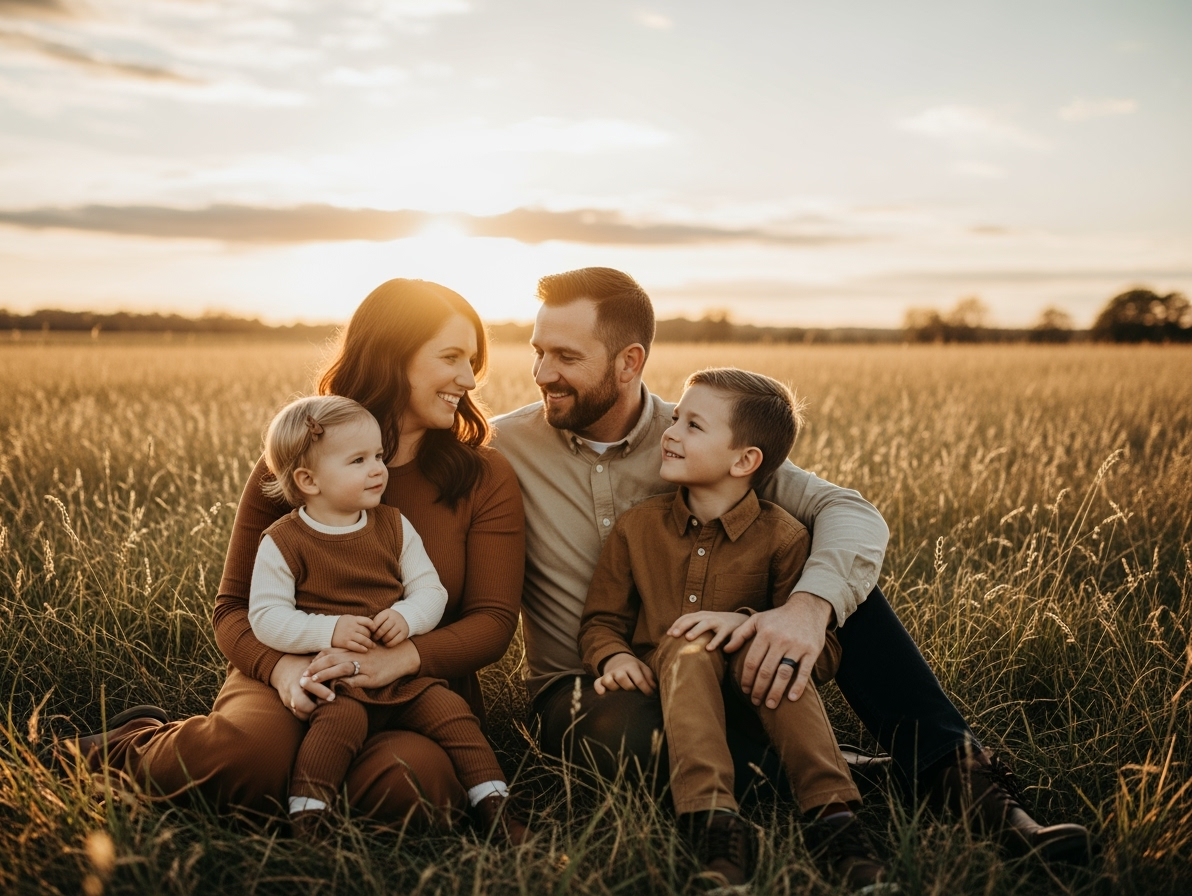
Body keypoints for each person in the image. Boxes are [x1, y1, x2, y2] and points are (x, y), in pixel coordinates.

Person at [491, 267, 1090, 863]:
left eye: (566, 356)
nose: (544, 373)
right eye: (538, 351)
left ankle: (968, 787)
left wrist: (806, 610)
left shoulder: (699, 436)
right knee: (624, 741)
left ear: (629, 361)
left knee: (841, 588)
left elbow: (845, 509)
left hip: (724, 666)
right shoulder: (501, 447)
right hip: (595, 687)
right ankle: (856, 774)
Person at [69, 279, 526, 830]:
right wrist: (282, 670)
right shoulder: (299, 463)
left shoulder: (485, 475)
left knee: (413, 787)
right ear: (389, 356)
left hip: (414, 688)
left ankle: (305, 794)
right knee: (250, 759)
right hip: (296, 673)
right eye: (450, 356)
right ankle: (123, 748)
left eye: (472, 360)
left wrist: (397, 659)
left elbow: (493, 622)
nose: (468, 378)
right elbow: (234, 607)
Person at [578, 368, 888, 888]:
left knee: (772, 650)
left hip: (758, 697)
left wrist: (750, 626)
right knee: (686, 641)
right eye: (674, 418)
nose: (670, 432)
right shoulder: (637, 528)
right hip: (670, 693)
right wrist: (615, 657)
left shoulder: (784, 537)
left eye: (693, 426)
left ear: (744, 461)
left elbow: (822, 653)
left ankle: (835, 820)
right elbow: (601, 622)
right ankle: (715, 823)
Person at [245, 394, 523, 842]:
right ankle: (308, 818)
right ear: (307, 479)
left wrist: (406, 619)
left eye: (378, 456)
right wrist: (327, 629)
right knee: (338, 727)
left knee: (452, 712)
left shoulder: (393, 525)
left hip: (400, 674)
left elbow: (430, 590)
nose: (379, 469)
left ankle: (497, 810)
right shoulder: (284, 540)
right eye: (358, 460)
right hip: (335, 677)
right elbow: (264, 616)